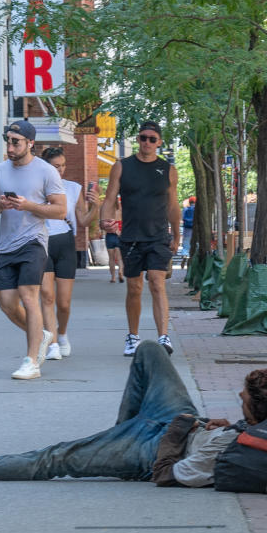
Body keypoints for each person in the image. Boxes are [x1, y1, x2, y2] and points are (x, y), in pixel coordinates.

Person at [0, 342, 267, 485]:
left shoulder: (224, 452)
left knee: (55, 458)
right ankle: (117, 435)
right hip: (180, 420)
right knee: (150, 350)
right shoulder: (254, 429)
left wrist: (176, 440)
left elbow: (174, 475)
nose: (237, 397)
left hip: (152, 452)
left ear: (255, 410)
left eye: (243, 398)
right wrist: (219, 424)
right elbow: (234, 433)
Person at [0, 121, 67, 380]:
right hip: (6, 245)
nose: (10, 146)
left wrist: (29, 205)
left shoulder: (46, 171)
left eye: (15, 142)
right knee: (7, 304)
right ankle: (41, 334)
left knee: (29, 296)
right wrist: (0, 205)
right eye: (7, 140)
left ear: (30, 143)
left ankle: (31, 361)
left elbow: (60, 210)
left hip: (33, 242)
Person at [100, 121, 181, 357]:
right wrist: (105, 221)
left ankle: (163, 337)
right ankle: (133, 337)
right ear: (138, 139)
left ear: (159, 142)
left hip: (158, 236)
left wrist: (176, 234)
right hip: (131, 236)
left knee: (157, 282)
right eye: (143, 137)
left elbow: (173, 205)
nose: (146, 142)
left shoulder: (168, 170)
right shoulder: (122, 166)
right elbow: (109, 198)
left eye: (152, 139)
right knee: (134, 287)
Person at [39, 147, 99, 360]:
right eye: (56, 166)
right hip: (41, 242)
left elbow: (82, 221)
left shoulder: (73, 188)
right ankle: (52, 343)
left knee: (63, 303)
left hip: (65, 243)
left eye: (63, 165)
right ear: (45, 166)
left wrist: (95, 206)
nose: (61, 170)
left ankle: (62, 334)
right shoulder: (35, 188)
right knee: (47, 296)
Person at [105, 195, 123, 283]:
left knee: (111, 258)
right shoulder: (121, 212)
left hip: (110, 236)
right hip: (119, 236)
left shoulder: (108, 213)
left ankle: (113, 277)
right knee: (119, 258)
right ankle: (120, 272)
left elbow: (104, 225)